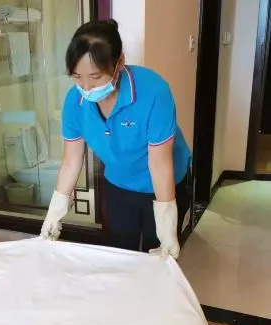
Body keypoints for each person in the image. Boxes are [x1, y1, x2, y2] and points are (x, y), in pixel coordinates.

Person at [40, 19, 192, 259]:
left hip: (162, 185)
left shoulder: (154, 92)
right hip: (119, 183)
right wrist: (55, 212)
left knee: (158, 258)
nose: (86, 87)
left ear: (119, 62)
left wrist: (166, 226)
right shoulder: (74, 102)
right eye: (77, 76)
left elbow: (160, 163)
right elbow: (71, 161)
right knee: (120, 254)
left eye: (95, 77)